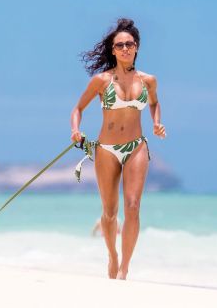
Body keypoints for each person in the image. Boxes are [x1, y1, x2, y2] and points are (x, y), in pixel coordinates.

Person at [70, 18, 166, 280]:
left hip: (136, 147)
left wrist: (156, 123)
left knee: (133, 206)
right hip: (106, 150)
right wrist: (75, 130)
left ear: (136, 48)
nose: (125, 48)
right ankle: (112, 256)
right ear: (113, 50)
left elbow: (155, 104)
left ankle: (124, 268)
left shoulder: (148, 80)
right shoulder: (101, 81)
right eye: (120, 45)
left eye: (129, 44)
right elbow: (78, 109)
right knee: (110, 212)